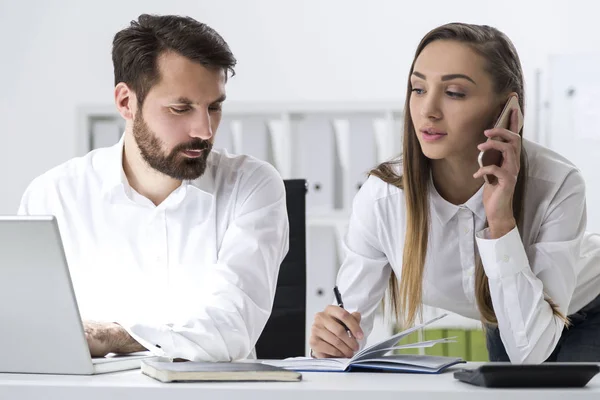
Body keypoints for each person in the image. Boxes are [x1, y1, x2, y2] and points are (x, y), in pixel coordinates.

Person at [309, 22, 600, 364]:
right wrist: (328, 342)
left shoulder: (556, 183)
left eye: (454, 93)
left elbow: (530, 353)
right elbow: (343, 340)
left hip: (587, 309)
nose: (428, 110)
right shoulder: (383, 199)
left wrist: (500, 220)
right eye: (418, 89)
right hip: (509, 314)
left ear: (510, 112)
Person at [18, 14, 289, 362]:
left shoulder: (252, 186)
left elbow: (230, 328)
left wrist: (116, 336)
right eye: (181, 108)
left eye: (214, 107)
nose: (204, 130)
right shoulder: (53, 196)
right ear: (126, 103)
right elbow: (32, 330)